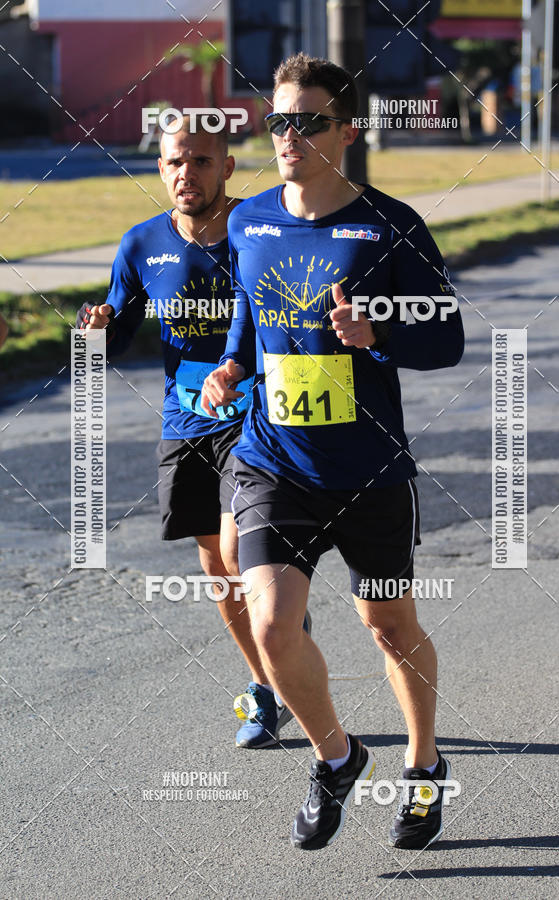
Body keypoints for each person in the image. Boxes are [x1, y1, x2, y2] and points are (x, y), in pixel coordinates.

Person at [201, 52, 464, 849]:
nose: (288, 135)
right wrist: (231, 366)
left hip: (370, 471)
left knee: (387, 626)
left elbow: (446, 338)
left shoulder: (391, 226)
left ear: (346, 131)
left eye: (307, 121)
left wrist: (378, 332)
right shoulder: (249, 221)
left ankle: (422, 766)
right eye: (278, 120)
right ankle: (336, 757)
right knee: (273, 623)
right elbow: (249, 315)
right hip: (273, 460)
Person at [77, 119, 309, 746]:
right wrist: (93, 327)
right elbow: (115, 334)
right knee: (216, 565)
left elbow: (291, 314)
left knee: (239, 551)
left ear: (227, 168)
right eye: (177, 162)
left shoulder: (257, 229)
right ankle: (268, 685)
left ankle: (285, 646)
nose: (189, 174)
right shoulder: (141, 243)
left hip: (259, 417)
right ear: (160, 169)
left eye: (202, 162)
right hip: (185, 421)